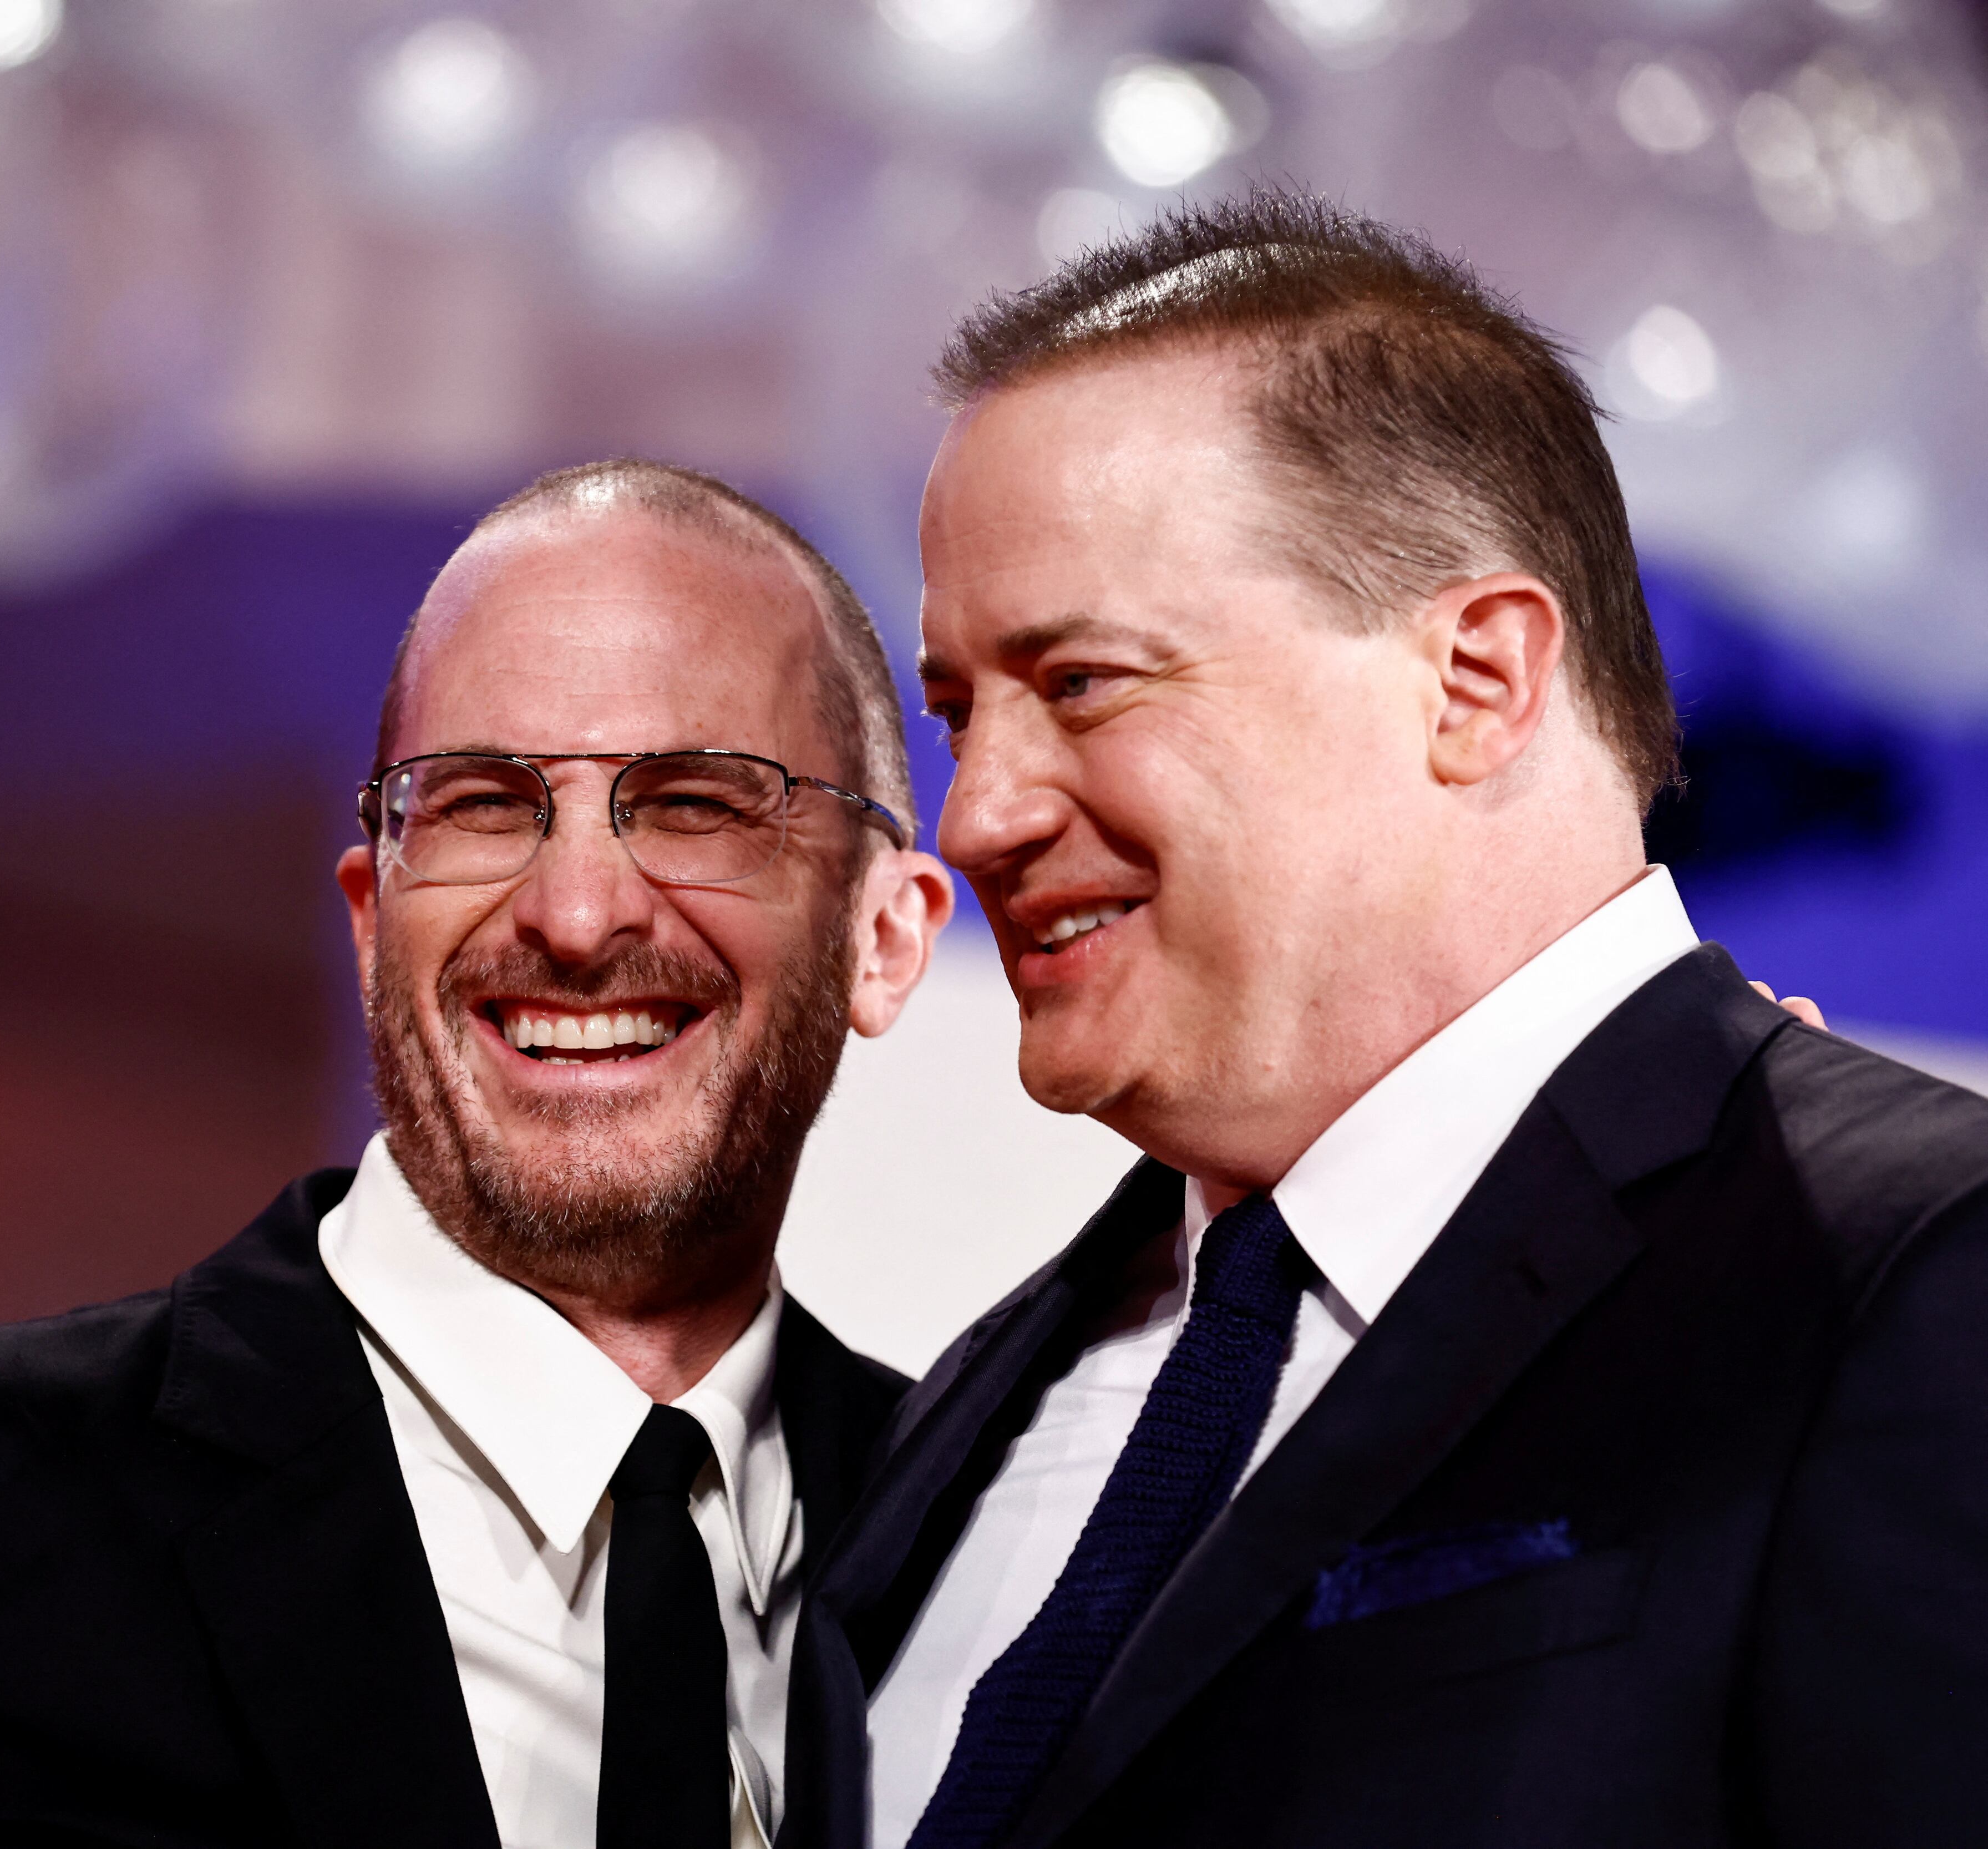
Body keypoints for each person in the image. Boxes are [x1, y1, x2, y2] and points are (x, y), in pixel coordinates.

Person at [787, 194, 1988, 1849]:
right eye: (957, 709)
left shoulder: (1910, 1271)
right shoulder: (972, 1396)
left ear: (1476, 678)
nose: (975, 813)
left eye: (1080, 682)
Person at [0, 458, 955, 1849]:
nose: (576, 913)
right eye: (480, 801)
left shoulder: (993, 1537)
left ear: (883, 937)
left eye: (698, 802)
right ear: (370, 922)